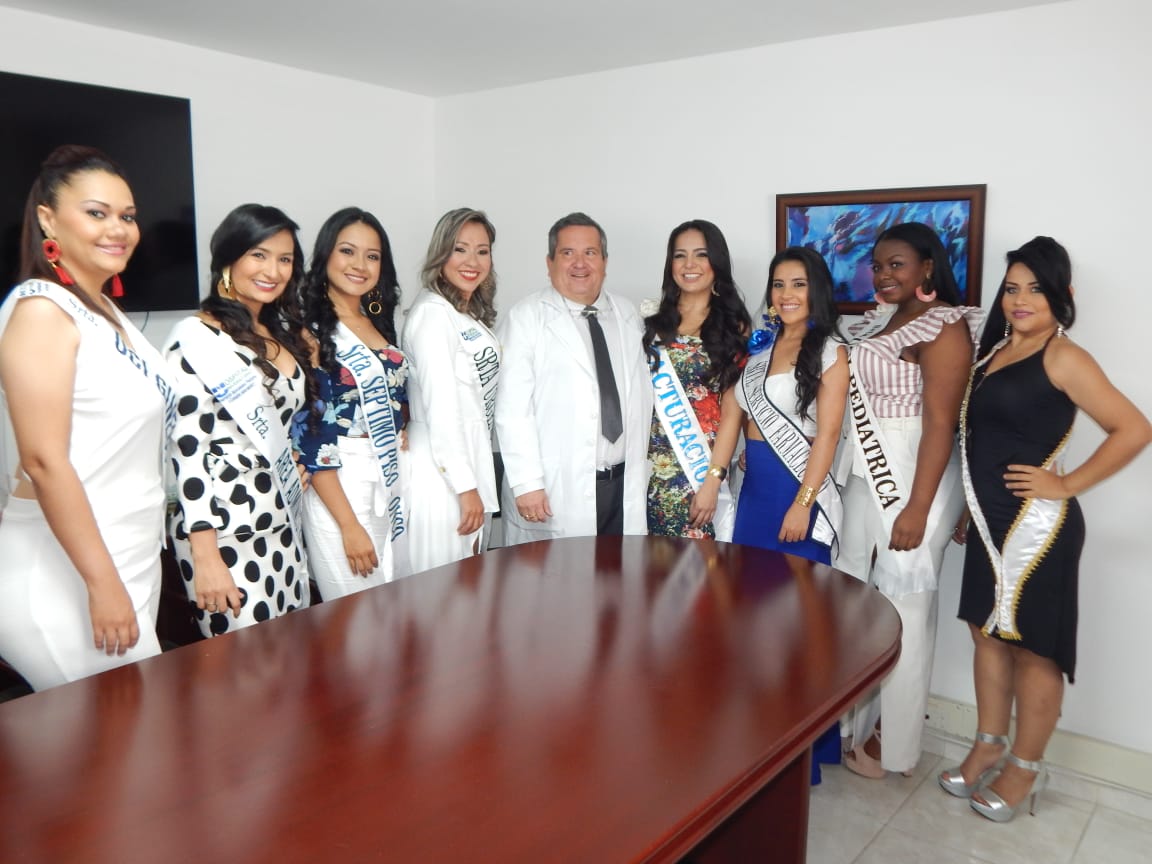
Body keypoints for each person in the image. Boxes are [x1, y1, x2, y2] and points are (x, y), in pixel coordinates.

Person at [938, 237, 1150, 821]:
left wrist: (1066, 483)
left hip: (1037, 530)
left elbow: (1133, 428)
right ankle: (988, 743)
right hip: (986, 523)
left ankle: (1026, 768)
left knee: (1034, 651)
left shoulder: (1063, 357)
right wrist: (966, 509)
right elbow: (979, 442)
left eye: (1035, 288)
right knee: (985, 634)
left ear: (1064, 295)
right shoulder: (996, 351)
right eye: (1012, 288)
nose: (1021, 299)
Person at [0, 145, 176, 689]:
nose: (118, 229)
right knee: (116, 750)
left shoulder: (103, 311)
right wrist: (102, 584)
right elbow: (44, 461)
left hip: (127, 556)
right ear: (48, 218)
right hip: (65, 571)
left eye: (127, 216)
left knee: (127, 753)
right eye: (96, 213)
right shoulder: (42, 310)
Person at [835, 222, 983, 778]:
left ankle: (891, 741)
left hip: (916, 473)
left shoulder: (946, 325)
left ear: (927, 267)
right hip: (863, 471)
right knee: (853, 590)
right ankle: (851, 719)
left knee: (905, 599)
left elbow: (943, 423)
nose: (884, 274)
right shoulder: (877, 322)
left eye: (897, 264)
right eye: (877, 265)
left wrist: (917, 508)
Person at [166, 204, 313, 637]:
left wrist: (292, 464)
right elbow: (188, 452)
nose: (274, 270)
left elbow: (285, 421)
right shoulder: (196, 338)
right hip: (224, 532)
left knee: (286, 660)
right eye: (259, 255)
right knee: (243, 677)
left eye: (285, 259)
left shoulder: (275, 330)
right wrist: (206, 557)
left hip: (281, 521)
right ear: (229, 258)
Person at [497, 212, 653, 543]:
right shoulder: (526, 318)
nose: (579, 264)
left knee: (617, 587)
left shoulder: (627, 315)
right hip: (554, 490)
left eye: (590, 253)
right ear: (550, 261)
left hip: (623, 485)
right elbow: (512, 410)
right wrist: (527, 483)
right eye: (568, 253)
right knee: (556, 589)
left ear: (605, 261)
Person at [297, 207, 410, 599]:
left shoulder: (377, 318)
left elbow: (394, 391)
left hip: (388, 476)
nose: (360, 265)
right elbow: (313, 439)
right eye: (348, 251)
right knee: (355, 623)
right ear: (326, 255)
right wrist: (348, 525)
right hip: (339, 492)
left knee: (389, 616)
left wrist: (404, 425)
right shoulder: (308, 331)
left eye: (373, 255)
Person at [730, 247, 847, 570]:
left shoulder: (830, 352)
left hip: (794, 485)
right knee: (748, 588)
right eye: (778, 284)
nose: (786, 294)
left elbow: (829, 435)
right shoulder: (762, 347)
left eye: (799, 284)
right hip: (754, 486)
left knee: (797, 599)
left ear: (817, 290)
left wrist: (803, 504)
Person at [402, 208, 500, 573]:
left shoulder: (463, 312)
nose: (472, 261)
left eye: (483, 250)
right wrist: (465, 486)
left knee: (468, 591)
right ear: (441, 253)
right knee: (443, 594)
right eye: (460, 249)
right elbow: (442, 407)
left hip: (467, 462)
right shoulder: (432, 315)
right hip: (440, 472)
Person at [642, 220, 749, 540]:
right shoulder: (650, 323)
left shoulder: (734, 326)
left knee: (700, 577)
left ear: (716, 263)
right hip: (650, 474)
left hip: (699, 472)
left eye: (701, 255)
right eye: (680, 255)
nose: (689, 265)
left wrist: (713, 481)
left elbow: (732, 412)